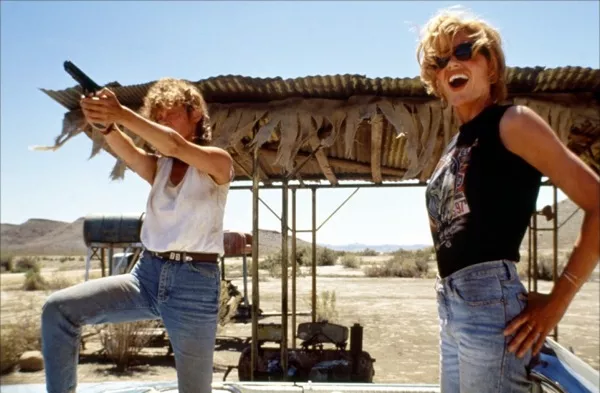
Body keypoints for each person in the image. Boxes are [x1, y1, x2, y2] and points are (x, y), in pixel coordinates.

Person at [417, 8, 600, 393]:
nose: (452, 62)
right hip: (451, 306)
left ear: (493, 68)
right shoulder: (454, 147)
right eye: (440, 59)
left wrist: (557, 301)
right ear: (435, 77)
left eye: (465, 51)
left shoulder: (513, 122)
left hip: (489, 305)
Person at [41, 78, 234, 393]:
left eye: (167, 114)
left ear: (196, 113)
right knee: (57, 310)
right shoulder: (159, 167)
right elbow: (130, 153)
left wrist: (120, 113)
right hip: (145, 275)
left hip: (194, 285)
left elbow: (174, 144)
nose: (159, 121)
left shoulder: (218, 162)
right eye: (155, 116)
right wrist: (105, 125)